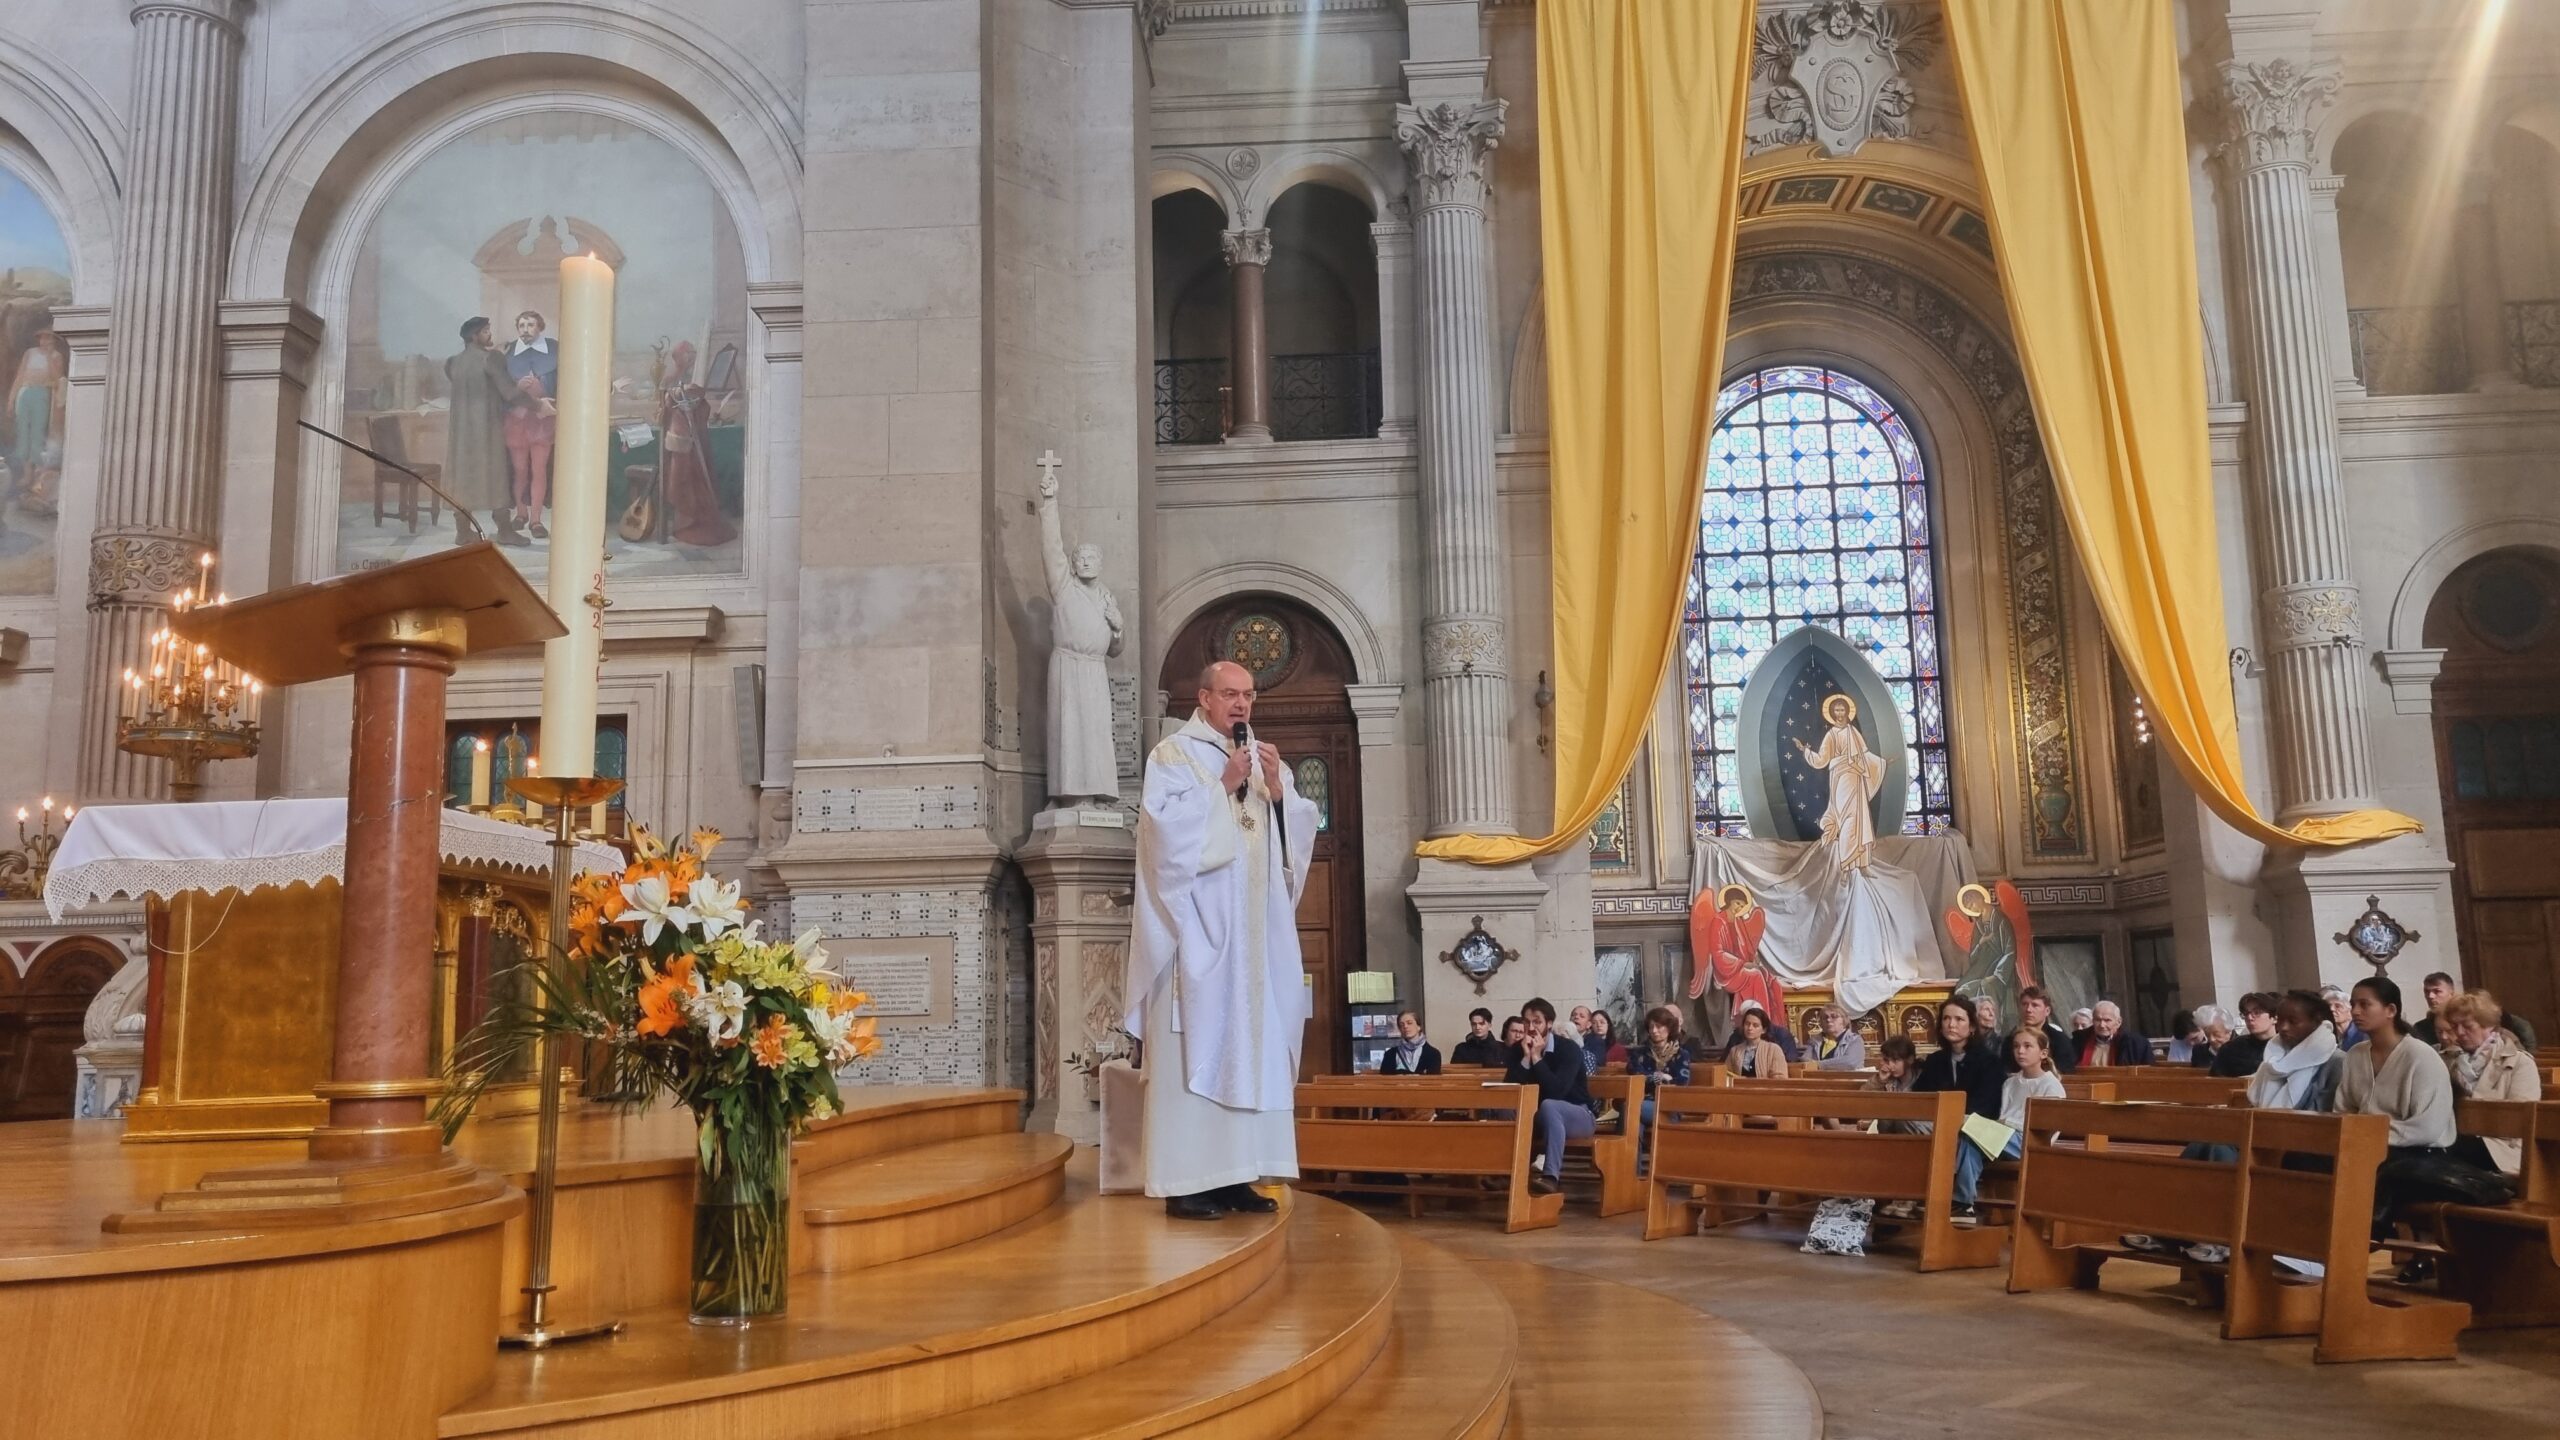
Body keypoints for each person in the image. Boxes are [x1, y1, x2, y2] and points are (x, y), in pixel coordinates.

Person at [1126, 660, 1320, 1220]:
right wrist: (1223, 787)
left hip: (1252, 946)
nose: (1241, 705)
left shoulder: (1261, 759)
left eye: (1249, 696)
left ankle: (1236, 1176)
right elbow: (1161, 836)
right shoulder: (1173, 756)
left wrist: (1278, 794)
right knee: (1194, 1052)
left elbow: (1290, 838)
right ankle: (1187, 1183)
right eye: (1230, 694)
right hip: (1198, 942)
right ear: (1204, 697)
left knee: (1253, 1052)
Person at [2332, 976, 2466, 1248]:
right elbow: (2342, 1109)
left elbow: (2427, 1128)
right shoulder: (2355, 1055)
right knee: (2307, 1160)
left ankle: (2360, 1241)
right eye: (2353, 1004)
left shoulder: (2420, 1056)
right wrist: (2359, 1136)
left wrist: (2367, 1134)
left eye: (2364, 1004)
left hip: (2421, 1152)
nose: (2355, 1011)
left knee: (2371, 1168)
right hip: (2368, 1146)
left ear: (2390, 1010)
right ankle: (2310, 1241)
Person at [1035, 460, 1125, 804]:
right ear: (1073, 566)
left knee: (1097, 732)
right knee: (1070, 731)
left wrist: (1118, 629)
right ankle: (1071, 796)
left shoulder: (1106, 596)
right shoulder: (1064, 588)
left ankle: (1098, 793)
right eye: (1080, 558)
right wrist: (1050, 502)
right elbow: (1051, 548)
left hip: (1095, 670)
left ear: (1100, 564)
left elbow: (1116, 650)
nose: (1085, 562)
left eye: (1091, 558)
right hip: (1069, 665)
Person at [1952, 1027, 2065, 1220]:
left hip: (2032, 1141)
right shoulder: (2010, 1083)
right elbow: (2003, 1115)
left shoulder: (2051, 1085)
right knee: (1969, 1138)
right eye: (2016, 1046)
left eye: (2027, 1046)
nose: (2020, 1051)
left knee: (1972, 1128)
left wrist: (2002, 1126)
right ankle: (1963, 1205)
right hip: (2004, 1137)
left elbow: (2047, 1128)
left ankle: (1962, 1200)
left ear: (2043, 1053)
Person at [442, 317, 527, 546]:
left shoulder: (452, 362)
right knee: (497, 476)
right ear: (474, 336)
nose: (490, 334)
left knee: (462, 478)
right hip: (487, 429)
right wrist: (538, 405)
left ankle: (463, 532)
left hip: (461, 433)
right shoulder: (492, 358)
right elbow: (509, 393)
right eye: (486, 331)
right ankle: (505, 531)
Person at [2438, 990, 2542, 1176]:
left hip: (2503, 1148)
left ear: (2488, 1025)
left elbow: (2520, 1121)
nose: (2459, 1033)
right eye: (2454, 1026)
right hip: (2457, 1140)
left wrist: (2472, 1118)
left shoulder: (2519, 1063)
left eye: (2467, 1026)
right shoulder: (2446, 1061)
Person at [1506, 997, 1592, 1197]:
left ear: (1549, 1023)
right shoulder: (1518, 1049)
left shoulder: (1568, 1049)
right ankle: (1506, 1172)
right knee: (1505, 1107)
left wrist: (1537, 1058)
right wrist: (1526, 1058)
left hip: (1577, 1113)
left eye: (1537, 1022)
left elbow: (1557, 1091)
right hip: (1537, 1116)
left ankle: (1551, 1177)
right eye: (1526, 1022)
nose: (1531, 1028)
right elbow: (1510, 1088)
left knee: (1550, 1105)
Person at [503, 309, 559, 538]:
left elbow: (565, 380)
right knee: (519, 470)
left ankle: (536, 520)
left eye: (531, 325)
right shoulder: (508, 352)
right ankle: (521, 512)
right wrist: (518, 388)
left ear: (540, 327)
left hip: (542, 419)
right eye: (522, 325)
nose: (525, 330)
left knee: (539, 469)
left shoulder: (554, 349)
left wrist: (543, 392)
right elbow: (502, 389)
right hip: (516, 419)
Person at [1914, 998, 2004, 1126]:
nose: (1951, 1025)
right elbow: (1920, 1097)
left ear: (1972, 1026)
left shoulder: (1989, 1062)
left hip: (1974, 1126)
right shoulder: (1934, 1061)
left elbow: (1985, 1106)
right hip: (1936, 1123)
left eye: (1959, 1019)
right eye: (1946, 1018)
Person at [1629, 1005, 1693, 1174]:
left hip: (1669, 1106)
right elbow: (1635, 1075)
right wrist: (1659, 1077)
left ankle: (1631, 1174)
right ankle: (1633, 1175)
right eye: (1651, 1027)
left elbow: (1681, 1083)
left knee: (1631, 1110)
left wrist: (1649, 1079)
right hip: (1644, 1103)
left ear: (1669, 1028)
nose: (1654, 1031)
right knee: (1634, 1125)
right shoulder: (1639, 1053)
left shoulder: (1681, 1054)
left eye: (1659, 1026)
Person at [2411, 970, 2540, 1050]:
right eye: (2426, 992)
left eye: (2437, 991)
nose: (2430, 996)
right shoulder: (2422, 1028)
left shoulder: (2505, 1035)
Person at [2211, 993, 2278, 1078]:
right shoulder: (2231, 1049)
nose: (2249, 1018)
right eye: (2246, 1013)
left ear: (2274, 1018)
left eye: (2257, 1012)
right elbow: (2216, 1081)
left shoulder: (2286, 1046)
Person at [2016, 987, 2076, 1074]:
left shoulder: (2059, 1040)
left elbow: (2065, 1071)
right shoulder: (2012, 1039)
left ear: (2047, 1011)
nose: (2028, 1010)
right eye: (2024, 1004)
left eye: (2035, 1005)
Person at [2070, 1001, 2146, 1068]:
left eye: (2107, 1020)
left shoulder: (2135, 1044)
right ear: (2092, 1021)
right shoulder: (2079, 1040)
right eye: (2098, 1020)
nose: (2102, 1025)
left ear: (2118, 1022)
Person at [1723, 1005, 1791, 1079]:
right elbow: (1725, 1074)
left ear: (1763, 1030)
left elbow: (1780, 1077)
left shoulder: (1773, 1050)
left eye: (1755, 1025)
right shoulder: (1735, 1051)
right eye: (1747, 1024)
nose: (1750, 1028)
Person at [1377, 1010, 1441, 1075]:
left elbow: (1433, 1079)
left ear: (1419, 1027)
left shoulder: (1433, 1054)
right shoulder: (1390, 1054)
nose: (1405, 1026)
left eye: (1409, 1023)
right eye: (1401, 1025)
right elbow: (1384, 1079)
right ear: (1400, 1029)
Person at [2321, 984, 2365, 1050]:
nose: (2331, 1009)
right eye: (2329, 1006)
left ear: (2350, 1010)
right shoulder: (2327, 1033)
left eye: (2337, 1006)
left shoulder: (2362, 1033)